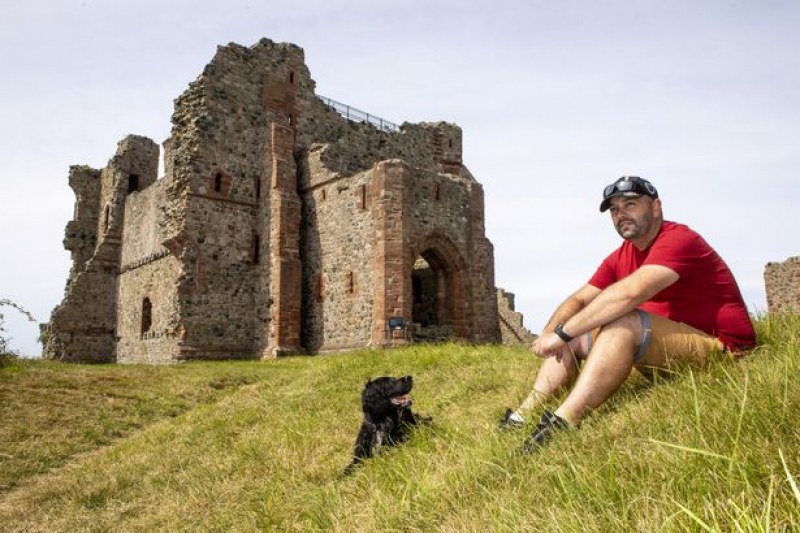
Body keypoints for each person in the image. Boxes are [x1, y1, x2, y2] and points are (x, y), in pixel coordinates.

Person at [500, 175, 756, 452]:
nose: (621, 214)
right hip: (665, 353)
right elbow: (579, 298)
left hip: (722, 352)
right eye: (614, 210)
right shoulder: (620, 256)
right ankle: (522, 415)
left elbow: (629, 293)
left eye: (630, 204)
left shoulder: (679, 239)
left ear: (656, 206)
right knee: (575, 329)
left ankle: (562, 424)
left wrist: (562, 332)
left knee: (623, 318)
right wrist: (553, 331)